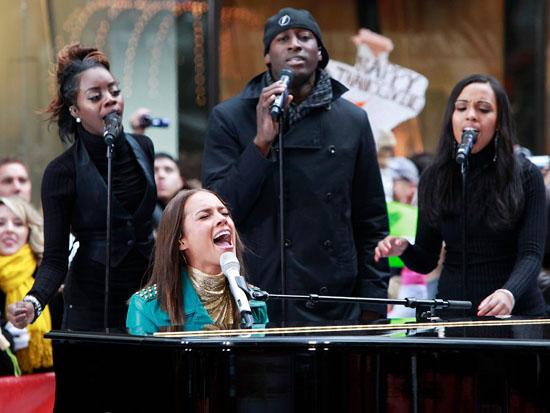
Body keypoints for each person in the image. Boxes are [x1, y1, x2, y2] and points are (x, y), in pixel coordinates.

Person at [202, 8, 390, 323]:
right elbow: (219, 212)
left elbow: (370, 221)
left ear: (320, 54)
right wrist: (260, 144)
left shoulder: (352, 120)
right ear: (267, 55)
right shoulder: (230, 117)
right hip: (258, 296)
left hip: (335, 301)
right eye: (282, 39)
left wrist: (372, 303)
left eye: (305, 37)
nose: (294, 45)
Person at [7, 43, 156, 331]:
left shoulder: (144, 147)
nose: (111, 100)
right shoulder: (61, 172)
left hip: (148, 296)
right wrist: (34, 302)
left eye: (114, 91)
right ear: (75, 110)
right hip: (91, 303)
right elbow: (54, 257)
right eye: (95, 96)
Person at [375, 74, 547, 318]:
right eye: (462, 107)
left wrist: (509, 293)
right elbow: (426, 260)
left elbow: (531, 254)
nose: (471, 115)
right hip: (454, 313)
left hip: (514, 313)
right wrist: (403, 249)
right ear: (452, 118)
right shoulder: (434, 177)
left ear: (499, 122)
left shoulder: (526, 175)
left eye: (484, 109)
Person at [126, 189, 268, 335]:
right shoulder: (147, 306)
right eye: (205, 216)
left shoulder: (254, 301)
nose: (222, 219)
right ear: (180, 241)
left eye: (225, 213)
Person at [0, 196, 52, 373]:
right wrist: (7, 340)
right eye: (0, 223)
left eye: (18, 223)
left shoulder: (47, 275)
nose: (9, 230)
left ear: (29, 230)